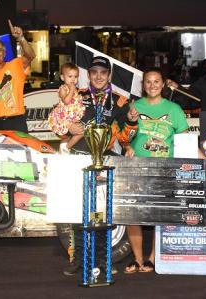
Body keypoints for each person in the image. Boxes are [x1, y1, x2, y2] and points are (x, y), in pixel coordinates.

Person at [62, 56, 139, 276]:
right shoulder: (76, 96)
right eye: (94, 72)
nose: (98, 76)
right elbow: (60, 124)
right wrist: (67, 126)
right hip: (78, 157)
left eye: (103, 73)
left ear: (109, 75)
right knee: (77, 211)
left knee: (101, 213)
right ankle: (78, 260)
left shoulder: (119, 101)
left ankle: (103, 261)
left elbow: (127, 136)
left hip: (103, 159)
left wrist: (132, 122)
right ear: (88, 75)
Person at [123, 68, 189, 274]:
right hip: (137, 166)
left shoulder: (174, 109)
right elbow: (123, 136)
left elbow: (184, 140)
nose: (152, 85)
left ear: (163, 84)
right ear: (143, 85)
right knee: (132, 215)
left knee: (158, 215)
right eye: (148, 82)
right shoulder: (133, 107)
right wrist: (127, 146)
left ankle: (151, 258)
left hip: (164, 168)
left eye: (156, 81)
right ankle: (137, 258)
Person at [0, 20, 35, 132]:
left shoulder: (16, 65)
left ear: (5, 53)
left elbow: (30, 55)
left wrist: (21, 38)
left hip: (16, 122)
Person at [48, 62, 85, 152]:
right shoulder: (63, 88)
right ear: (62, 77)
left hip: (72, 116)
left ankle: (64, 147)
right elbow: (66, 101)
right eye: (70, 76)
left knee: (79, 133)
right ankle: (66, 147)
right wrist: (72, 90)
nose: (73, 79)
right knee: (79, 133)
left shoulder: (75, 89)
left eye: (75, 77)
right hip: (64, 117)